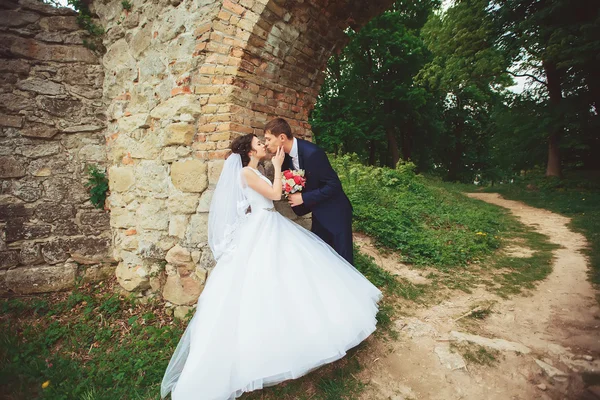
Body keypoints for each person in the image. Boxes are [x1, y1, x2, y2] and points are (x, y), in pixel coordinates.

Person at [160, 133, 381, 400]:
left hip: (268, 223)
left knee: (290, 278)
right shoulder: (246, 173)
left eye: (263, 142)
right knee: (264, 283)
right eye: (259, 143)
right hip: (262, 228)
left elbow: (273, 195)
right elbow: (275, 194)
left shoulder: (254, 171)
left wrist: (287, 179)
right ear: (250, 152)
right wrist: (278, 169)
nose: (264, 146)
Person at [263, 118, 355, 265]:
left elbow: (334, 185)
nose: (266, 143)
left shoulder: (313, 153)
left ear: (282, 137)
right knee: (322, 259)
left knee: (344, 262)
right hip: (318, 212)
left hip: (336, 212)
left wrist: (304, 198)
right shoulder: (284, 158)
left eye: (268, 139)